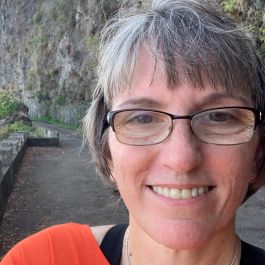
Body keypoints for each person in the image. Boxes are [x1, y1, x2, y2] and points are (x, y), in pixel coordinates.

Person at [2, 0, 265, 264]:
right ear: (108, 154)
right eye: (142, 118)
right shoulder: (42, 259)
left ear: (258, 154)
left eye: (218, 117)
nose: (182, 159)